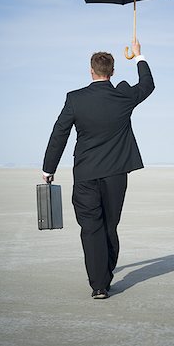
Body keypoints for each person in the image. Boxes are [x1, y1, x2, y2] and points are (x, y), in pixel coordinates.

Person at [42, 40, 155, 299]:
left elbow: (59, 133)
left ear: (91, 71)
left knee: (91, 227)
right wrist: (139, 56)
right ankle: (105, 275)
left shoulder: (75, 99)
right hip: (116, 174)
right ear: (112, 72)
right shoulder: (123, 96)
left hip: (85, 174)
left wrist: (49, 168)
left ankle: (99, 285)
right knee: (109, 226)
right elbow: (148, 85)